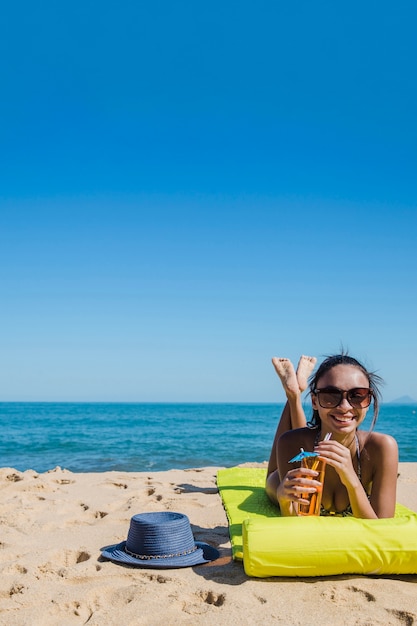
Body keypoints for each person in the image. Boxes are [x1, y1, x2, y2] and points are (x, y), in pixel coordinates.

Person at [265, 353, 398, 518]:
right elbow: (296, 522)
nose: (344, 406)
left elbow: (383, 531)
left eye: (357, 396)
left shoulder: (382, 448)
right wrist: (285, 504)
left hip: (315, 438)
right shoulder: (289, 442)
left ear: (368, 400)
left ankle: (295, 393)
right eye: (330, 396)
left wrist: (352, 481)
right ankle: (293, 395)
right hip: (281, 477)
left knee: (306, 441)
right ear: (314, 401)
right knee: (274, 480)